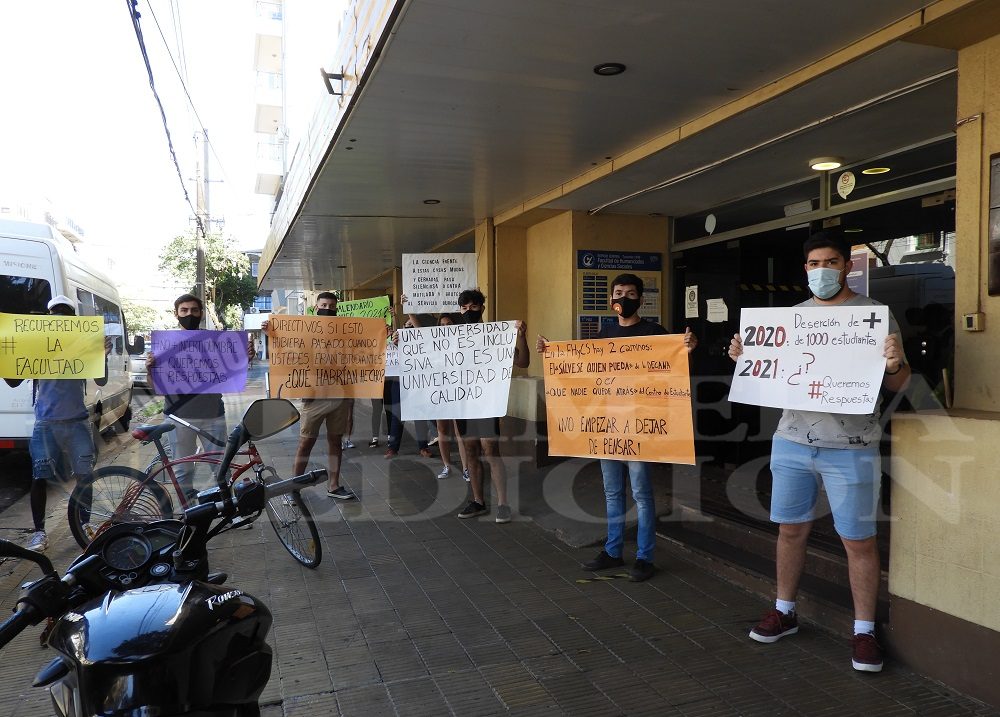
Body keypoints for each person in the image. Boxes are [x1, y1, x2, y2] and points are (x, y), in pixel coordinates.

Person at [728, 231, 909, 673]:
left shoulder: (874, 316)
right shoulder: (791, 318)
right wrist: (745, 360)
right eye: (814, 263)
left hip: (853, 448)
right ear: (805, 269)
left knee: (858, 541)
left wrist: (896, 363)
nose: (821, 270)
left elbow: (900, 385)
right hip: (791, 443)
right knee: (790, 531)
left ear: (847, 265)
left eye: (830, 262)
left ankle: (864, 630)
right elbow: (770, 376)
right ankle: (784, 610)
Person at [536, 273, 697, 582]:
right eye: (619, 292)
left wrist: (687, 351)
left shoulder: (655, 333)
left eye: (630, 293)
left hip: (640, 428)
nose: (624, 297)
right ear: (611, 299)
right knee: (612, 492)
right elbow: (581, 370)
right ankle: (612, 551)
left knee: (641, 494)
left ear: (641, 299)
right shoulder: (603, 335)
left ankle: (645, 557)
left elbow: (675, 372)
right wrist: (551, 352)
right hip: (607, 427)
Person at [148, 294, 254, 501]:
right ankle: (189, 510)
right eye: (184, 310)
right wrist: (150, 370)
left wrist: (245, 359)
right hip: (178, 419)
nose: (189, 314)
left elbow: (230, 374)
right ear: (176, 314)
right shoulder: (164, 345)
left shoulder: (215, 342)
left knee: (221, 468)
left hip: (213, 416)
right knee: (183, 470)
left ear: (201, 313)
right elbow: (156, 389)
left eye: (194, 310)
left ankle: (227, 507)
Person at [26, 295, 111, 551]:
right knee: (39, 477)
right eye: (56, 315)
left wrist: (102, 356)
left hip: (77, 422)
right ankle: (39, 532)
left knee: (85, 476)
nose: (60, 319)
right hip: (46, 423)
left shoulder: (82, 346)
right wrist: (11, 352)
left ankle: (85, 524)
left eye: (65, 315)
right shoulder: (37, 347)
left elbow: (101, 380)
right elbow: (13, 379)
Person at [262, 291, 356, 500]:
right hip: (313, 398)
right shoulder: (305, 332)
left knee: (335, 442)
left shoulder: (345, 332)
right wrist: (272, 335)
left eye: (332, 306)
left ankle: (334, 485)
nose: (328, 309)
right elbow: (288, 351)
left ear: (337, 309)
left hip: (339, 397)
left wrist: (383, 334)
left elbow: (361, 355)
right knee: (305, 443)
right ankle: (294, 487)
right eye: (324, 305)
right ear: (316, 308)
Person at [453, 289, 530, 524]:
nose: (469, 311)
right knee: (471, 450)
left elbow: (523, 361)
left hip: (487, 401)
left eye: (474, 307)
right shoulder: (452, 339)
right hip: (463, 402)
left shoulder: (496, 336)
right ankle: (478, 501)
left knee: (490, 449)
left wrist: (521, 336)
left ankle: (503, 503)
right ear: (460, 310)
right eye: (464, 308)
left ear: (482, 309)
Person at [432, 313, 469, 480]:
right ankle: (446, 465)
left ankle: (466, 468)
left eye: (449, 324)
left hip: (458, 390)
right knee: (442, 430)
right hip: (440, 390)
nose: (446, 328)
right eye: (442, 325)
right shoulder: (433, 344)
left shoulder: (463, 343)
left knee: (459, 430)